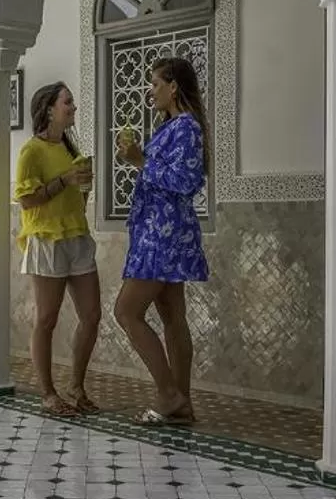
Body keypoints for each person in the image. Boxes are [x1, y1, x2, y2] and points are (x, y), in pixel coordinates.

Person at [115, 57, 208, 425]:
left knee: (126, 311)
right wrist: (140, 158)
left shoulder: (186, 127)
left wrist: (141, 161)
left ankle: (168, 394)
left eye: (155, 83)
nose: (149, 90)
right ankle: (181, 403)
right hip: (161, 232)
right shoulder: (172, 126)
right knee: (172, 317)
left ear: (174, 87)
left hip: (163, 236)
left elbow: (186, 182)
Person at [14, 82, 102, 416]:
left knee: (91, 316)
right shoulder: (31, 151)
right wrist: (62, 182)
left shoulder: (69, 148)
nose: (74, 107)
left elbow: (77, 200)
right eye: (68, 102)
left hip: (76, 236)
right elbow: (26, 200)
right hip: (46, 239)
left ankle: (76, 387)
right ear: (50, 109)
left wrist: (84, 186)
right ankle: (48, 394)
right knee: (47, 318)